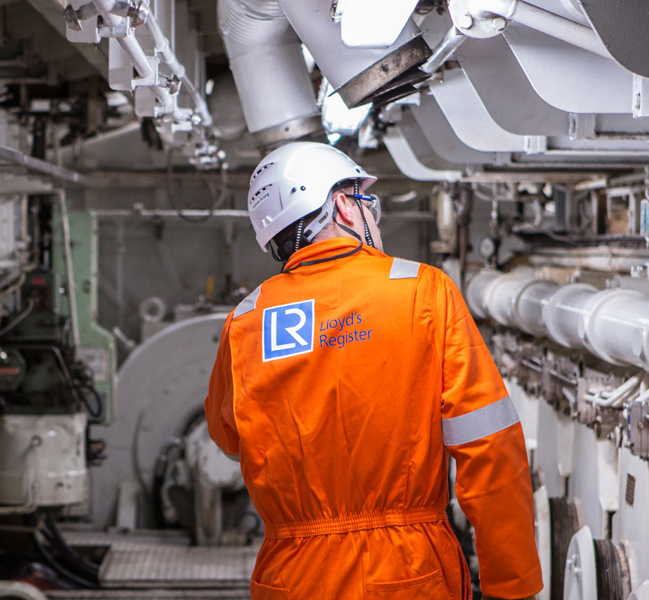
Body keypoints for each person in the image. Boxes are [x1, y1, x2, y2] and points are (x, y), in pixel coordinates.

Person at [204, 142, 542, 600]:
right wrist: (512, 586)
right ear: (342, 205)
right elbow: (490, 447)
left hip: (291, 579)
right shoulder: (422, 292)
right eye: (368, 204)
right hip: (406, 573)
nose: (374, 220)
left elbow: (229, 440)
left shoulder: (246, 320)